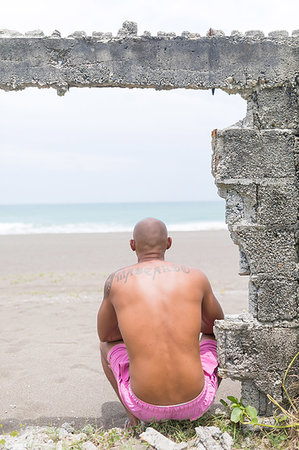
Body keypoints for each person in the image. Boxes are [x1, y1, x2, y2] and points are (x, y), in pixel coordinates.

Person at [97, 217, 224, 426]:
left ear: (132, 245)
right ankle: (197, 413)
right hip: (196, 402)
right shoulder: (196, 276)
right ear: (169, 243)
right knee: (219, 337)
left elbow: (107, 335)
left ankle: (133, 417)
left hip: (144, 406)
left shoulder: (115, 281)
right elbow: (216, 326)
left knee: (105, 347)